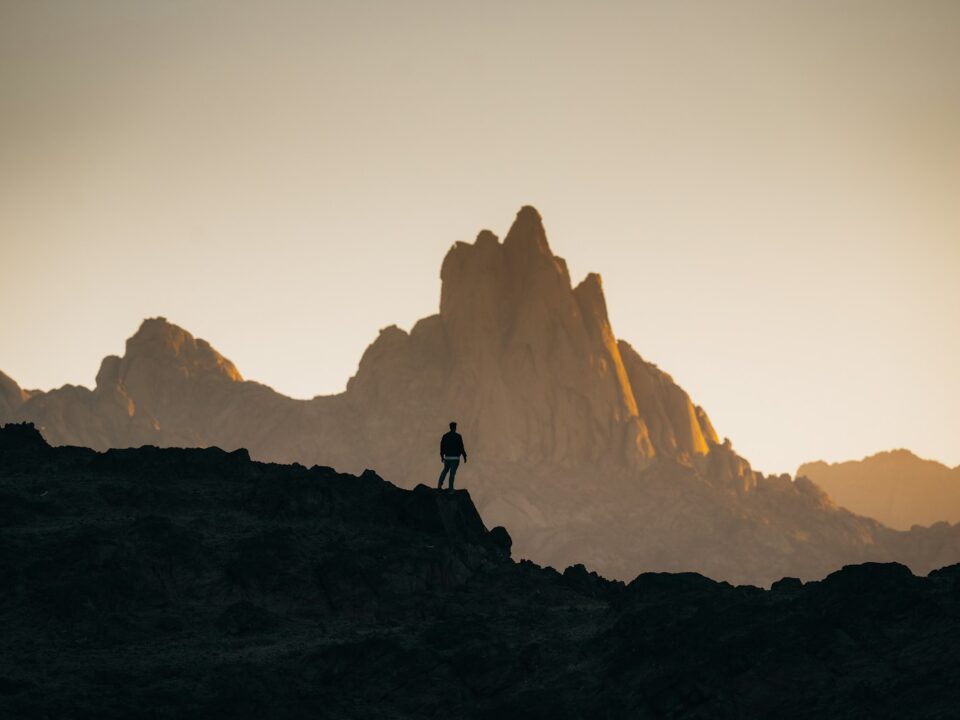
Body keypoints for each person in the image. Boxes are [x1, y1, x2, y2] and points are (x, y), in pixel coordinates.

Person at [438, 421, 468, 491]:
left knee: (445, 471)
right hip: (455, 458)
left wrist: (442, 456)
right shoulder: (458, 436)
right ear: (455, 428)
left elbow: (442, 447)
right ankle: (451, 489)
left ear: (450, 427)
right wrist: (464, 456)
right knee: (452, 474)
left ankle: (439, 485)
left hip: (447, 457)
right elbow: (461, 447)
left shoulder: (445, 436)